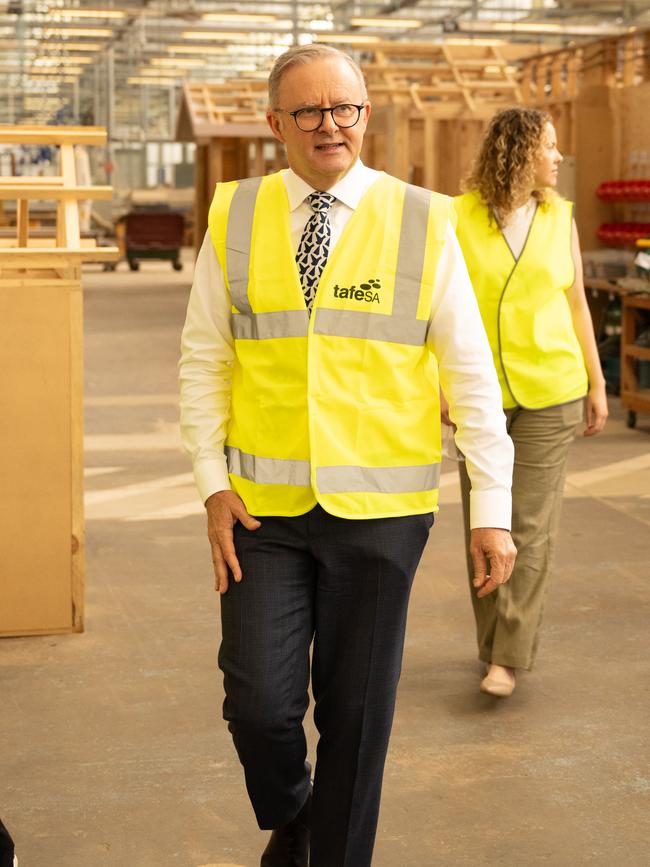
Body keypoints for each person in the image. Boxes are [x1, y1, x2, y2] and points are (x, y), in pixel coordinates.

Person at [179, 44, 516, 867]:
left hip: (384, 514)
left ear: (366, 114)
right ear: (275, 124)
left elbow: (471, 376)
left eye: (347, 109)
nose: (331, 126)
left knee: (358, 717)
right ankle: (292, 813)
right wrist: (211, 486)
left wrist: (493, 514)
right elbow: (204, 359)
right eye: (309, 112)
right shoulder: (236, 215)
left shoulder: (423, 220)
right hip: (263, 509)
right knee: (258, 702)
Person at [451, 106, 608, 699]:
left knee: (530, 526)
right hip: (480, 394)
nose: (558, 156)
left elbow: (577, 305)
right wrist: (440, 384)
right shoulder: (457, 217)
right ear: (517, 152)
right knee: (483, 521)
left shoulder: (560, 216)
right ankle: (490, 642)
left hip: (551, 390)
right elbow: (435, 310)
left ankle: (509, 656)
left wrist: (596, 382)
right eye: (549, 145)